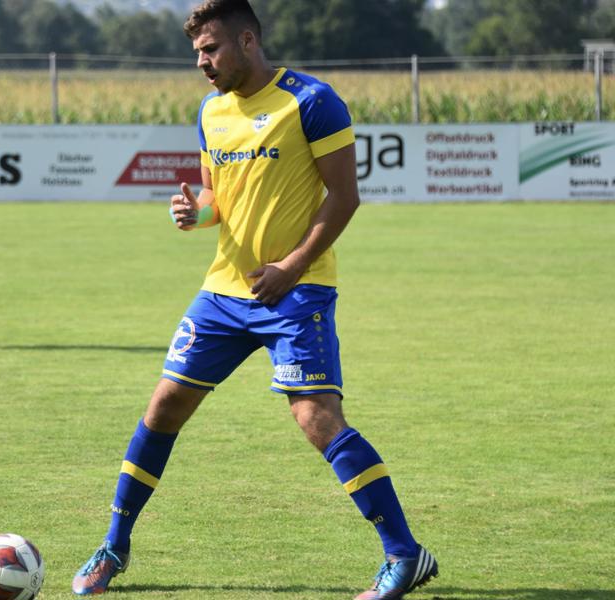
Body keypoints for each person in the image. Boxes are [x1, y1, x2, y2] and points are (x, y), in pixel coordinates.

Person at [71, 1, 437, 598]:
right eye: (196, 53)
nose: (202, 63)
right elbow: (217, 197)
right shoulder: (211, 112)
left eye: (210, 49)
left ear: (247, 40)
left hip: (298, 290)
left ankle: (405, 553)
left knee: (316, 418)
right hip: (224, 291)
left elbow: (344, 198)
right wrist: (196, 213)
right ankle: (115, 545)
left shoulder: (312, 101)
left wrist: (292, 269)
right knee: (163, 407)